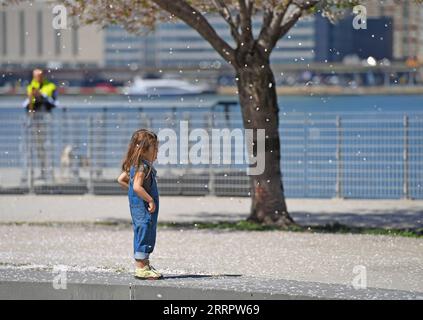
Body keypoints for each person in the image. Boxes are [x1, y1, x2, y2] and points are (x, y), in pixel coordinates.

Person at [117, 129, 162, 280]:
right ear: (143, 150)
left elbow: (122, 179)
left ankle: (145, 265)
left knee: (143, 230)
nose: (157, 152)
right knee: (145, 230)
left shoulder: (135, 165)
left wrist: (135, 192)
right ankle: (141, 268)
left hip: (138, 207)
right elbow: (136, 186)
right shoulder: (142, 167)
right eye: (155, 149)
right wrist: (149, 199)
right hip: (142, 207)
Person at [22, 69, 58, 182]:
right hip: (34, 121)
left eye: (40, 75)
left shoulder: (50, 86)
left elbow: (53, 101)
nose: (38, 77)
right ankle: (39, 172)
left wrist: (41, 95)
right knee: (34, 147)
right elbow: (27, 104)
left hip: (46, 120)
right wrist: (32, 97)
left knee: (47, 146)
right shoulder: (30, 86)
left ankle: (48, 172)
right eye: (36, 76)